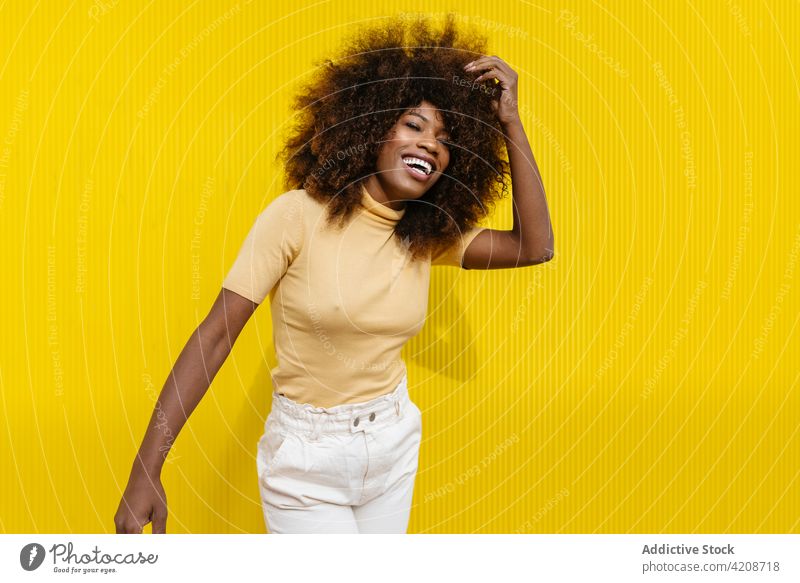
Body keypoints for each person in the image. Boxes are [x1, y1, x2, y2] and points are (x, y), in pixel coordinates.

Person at [114, 13, 554, 535]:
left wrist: (510, 121)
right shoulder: (296, 215)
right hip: (306, 458)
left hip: (392, 443)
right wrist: (147, 468)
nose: (430, 145)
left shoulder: (426, 232)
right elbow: (214, 337)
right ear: (373, 126)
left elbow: (534, 246)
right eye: (414, 125)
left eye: (445, 139)